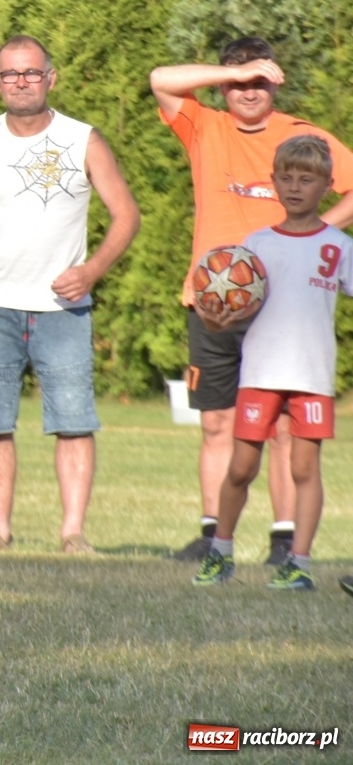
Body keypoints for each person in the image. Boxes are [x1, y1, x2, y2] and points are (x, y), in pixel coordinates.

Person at [0, 36, 139, 553]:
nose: (21, 82)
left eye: (31, 73)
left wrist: (92, 271)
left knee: (74, 420)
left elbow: (127, 215)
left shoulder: (83, 139)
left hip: (63, 309)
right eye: (11, 74)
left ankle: (73, 534)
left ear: (51, 78)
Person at [149, 39, 353, 564]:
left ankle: (284, 540)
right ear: (222, 84)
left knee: (283, 427)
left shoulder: (300, 135)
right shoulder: (205, 125)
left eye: (260, 80)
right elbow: (160, 78)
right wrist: (232, 69)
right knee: (218, 424)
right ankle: (213, 535)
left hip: (278, 309)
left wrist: (309, 229)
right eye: (237, 81)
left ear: (276, 84)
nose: (247, 90)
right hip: (213, 304)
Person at [190, 136, 349, 591]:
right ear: (274, 182)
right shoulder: (254, 245)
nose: (296, 187)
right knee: (241, 467)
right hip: (259, 374)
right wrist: (216, 320)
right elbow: (235, 310)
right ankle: (220, 552)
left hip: (312, 376)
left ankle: (299, 562)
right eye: (287, 178)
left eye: (308, 179)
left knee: (305, 469)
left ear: (326, 186)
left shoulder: (338, 245)